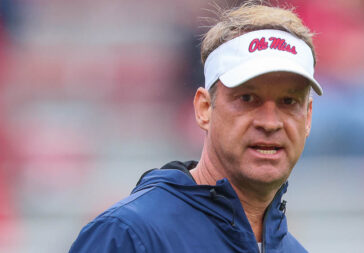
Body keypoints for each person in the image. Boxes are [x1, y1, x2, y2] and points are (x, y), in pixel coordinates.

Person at [69, 2, 323, 253]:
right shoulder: (129, 235)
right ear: (204, 108)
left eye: (288, 101)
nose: (270, 122)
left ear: (308, 117)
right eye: (247, 98)